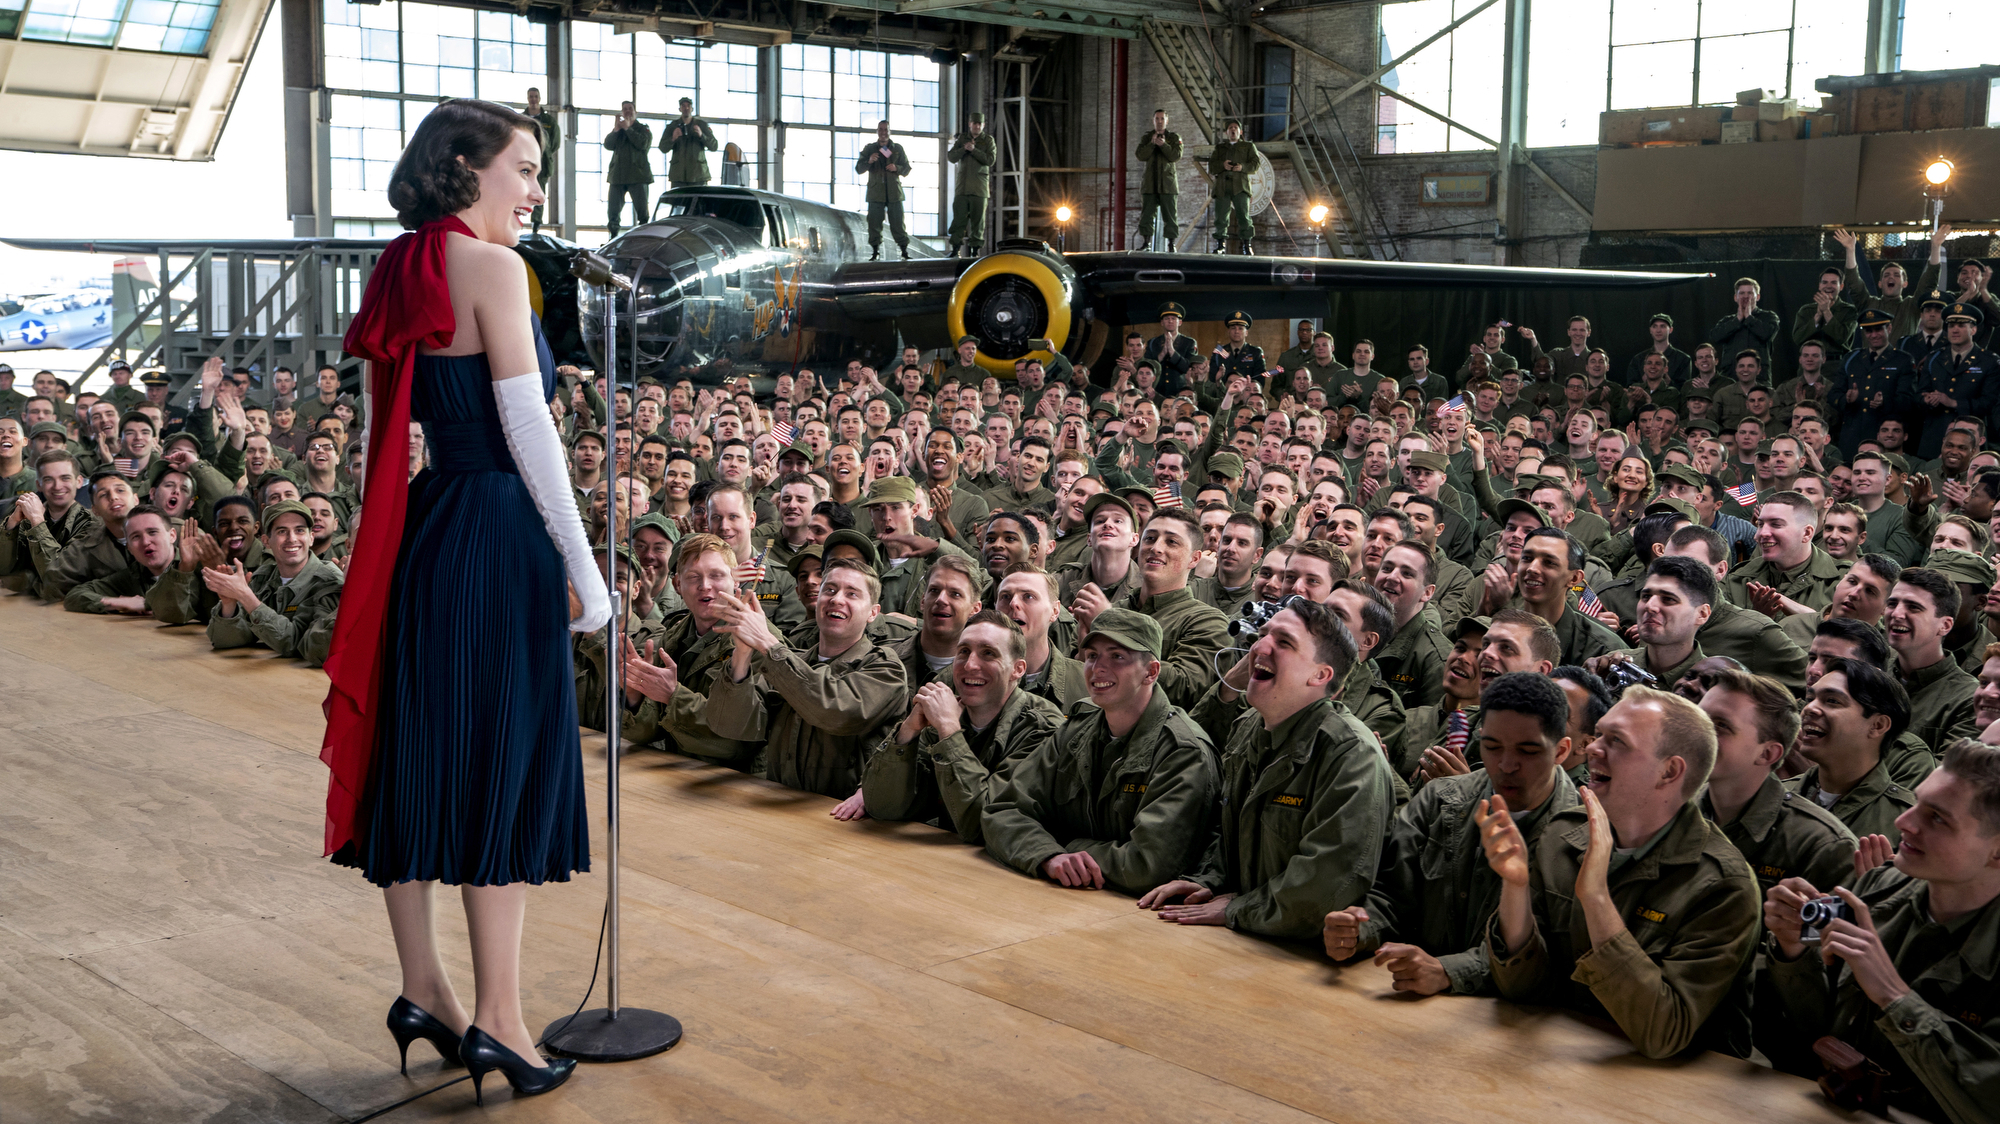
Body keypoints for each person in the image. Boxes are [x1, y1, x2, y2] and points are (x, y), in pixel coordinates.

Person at [319, 100, 604, 1104]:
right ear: (465, 168)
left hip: (425, 528)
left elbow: (377, 440)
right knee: (500, 767)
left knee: (422, 755)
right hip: (494, 526)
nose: (534, 192)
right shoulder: (492, 268)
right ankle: (504, 1021)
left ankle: (425, 991)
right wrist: (589, 570)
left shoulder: (398, 267)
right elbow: (532, 436)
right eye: (523, 169)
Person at [1477, 686, 1761, 1059]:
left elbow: (1663, 1033)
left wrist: (1596, 896)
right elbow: (1524, 990)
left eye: (1617, 741)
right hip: (1566, 1059)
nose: (1592, 748)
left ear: (1668, 771)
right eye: (1598, 735)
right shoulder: (1564, 833)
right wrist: (1515, 888)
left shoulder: (1723, 885)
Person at [1764, 738, 2000, 1123]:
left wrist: (1894, 996)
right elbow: (1814, 1032)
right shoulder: (1877, 888)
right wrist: (1793, 951)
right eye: (1918, 803)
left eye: (1937, 818)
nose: (1904, 822)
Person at [1141, 599, 1395, 939]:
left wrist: (1236, 908)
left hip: (1305, 952)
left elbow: (1325, 887)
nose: (1259, 647)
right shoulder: (1250, 726)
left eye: (1284, 642)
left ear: (1320, 675)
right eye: (1262, 635)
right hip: (1248, 934)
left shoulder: (1351, 754)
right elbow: (1229, 831)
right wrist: (1205, 881)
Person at [1326, 672, 1579, 996]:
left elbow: (1551, 962)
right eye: (1491, 746)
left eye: (1527, 751)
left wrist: (1448, 972)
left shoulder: (1578, 837)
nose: (1506, 764)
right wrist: (1358, 929)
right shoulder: (1438, 800)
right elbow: (1392, 897)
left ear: (1561, 751)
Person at [982, 608, 1220, 894]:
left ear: (1151, 672)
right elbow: (1003, 810)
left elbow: (1148, 864)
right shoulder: (1075, 731)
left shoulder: (1182, 751)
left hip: (1142, 919)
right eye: (1093, 655)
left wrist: (1067, 845)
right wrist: (1048, 855)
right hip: (1066, 897)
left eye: (1117, 657)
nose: (1097, 668)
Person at [709, 556, 909, 802]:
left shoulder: (885, 668)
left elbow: (835, 712)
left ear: (873, 613)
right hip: (779, 803)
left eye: (852, 594)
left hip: (845, 816)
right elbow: (730, 725)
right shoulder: (793, 661)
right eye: (830, 590)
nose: (837, 599)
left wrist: (768, 643)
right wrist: (742, 652)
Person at [863, 609, 1064, 842]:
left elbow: (985, 826)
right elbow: (883, 807)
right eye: (963, 652)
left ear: (1017, 670)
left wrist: (949, 732)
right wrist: (907, 732)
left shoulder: (1042, 727)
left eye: (988, 654)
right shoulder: (944, 716)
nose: (969, 665)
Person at [618, 533, 764, 771]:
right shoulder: (673, 638)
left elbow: (735, 744)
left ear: (736, 580)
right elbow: (644, 733)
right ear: (677, 585)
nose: (705, 585)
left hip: (741, 786)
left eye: (716, 575)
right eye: (693, 577)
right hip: (680, 776)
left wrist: (672, 695)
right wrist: (635, 697)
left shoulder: (759, 641)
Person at [203, 500, 345, 666]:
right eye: (282, 531)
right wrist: (229, 604)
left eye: (299, 530)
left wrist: (246, 597)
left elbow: (295, 644)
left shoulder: (328, 581)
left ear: (311, 537)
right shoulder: (264, 577)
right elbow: (225, 641)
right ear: (266, 541)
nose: (292, 539)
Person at [1793, 658, 1918, 844]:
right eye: (1810, 699)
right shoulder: (1776, 795)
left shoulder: (1907, 820)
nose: (1809, 708)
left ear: (1878, 725)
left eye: (1832, 701)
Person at [1887, 567, 1982, 753]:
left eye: (1913, 607)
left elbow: (1948, 774)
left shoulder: (1968, 699)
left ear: (1944, 625)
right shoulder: (1871, 672)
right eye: (1892, 603)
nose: (1896, 614)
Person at [857, 119, 911, 261]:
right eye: (880, 129)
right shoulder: (870, 149)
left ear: (889, 131)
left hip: (894, 193)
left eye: (885, 129)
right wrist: (869, 161)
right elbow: (859, 169)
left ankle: (904, 250)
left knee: (898, 223)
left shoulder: (897, 149)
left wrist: (897, 168)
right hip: (876, 193)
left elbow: (906, 169)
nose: (883, 132)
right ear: (877, 131)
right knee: (874, 223)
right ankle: (875, 251)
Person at [944, 112, 995, 257]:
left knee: (978, 222)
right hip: (963, 188)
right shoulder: (962, 139)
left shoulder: (988, 141)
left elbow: (990, 160)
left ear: (983, 125)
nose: (977, 126)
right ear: (970, 124)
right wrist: (963, 149)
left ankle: (975, 250)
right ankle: (955, 249)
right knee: (958, 219)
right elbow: (951, 157)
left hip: (979, 189)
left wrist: (974, 150)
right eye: (975, 123)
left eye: (980, 124)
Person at [1208, 119, 1260, 255]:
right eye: (1230, 128)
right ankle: (1220, 245)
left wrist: (1243, 167)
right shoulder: (1220, 148)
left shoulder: (1248, 146)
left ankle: (1247, 245)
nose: (1233, 130)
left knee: (1243, 216)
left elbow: (1255, 164)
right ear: (1226, 132)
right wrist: (1222, 165)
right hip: (1222, 186)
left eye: (1236, 128)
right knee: (1220, 217)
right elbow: (1212, 167)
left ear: (1240, 132)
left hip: (1240, 185)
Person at [602, 100, 652, 238]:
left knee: (642, 212)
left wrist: (629, 129)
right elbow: (608, 145)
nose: (627, 111)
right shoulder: (619, 130)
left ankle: (644, 238)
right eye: (625, 109)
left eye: (630, 108)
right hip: (617, 176)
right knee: (613, 211)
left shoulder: (643, 128)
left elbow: (643, 144)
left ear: (635, 111)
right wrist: (616, 130)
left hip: (638, 176)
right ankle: (613, 236)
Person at [1135, 108, 1184, 250]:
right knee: (1147, 215)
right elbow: (1140, 155)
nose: (1160, 121)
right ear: (1153, 121)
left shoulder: (1174, 138)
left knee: (1170, 216)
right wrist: (1151, 144)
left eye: (1162, 119)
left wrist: (1164, 145)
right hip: (1150, 183)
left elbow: (1175, 156)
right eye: (1157, 119)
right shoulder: (1147, 138)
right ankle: (1146, 243)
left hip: (1167, 184)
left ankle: (1171, 244)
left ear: (1167, 121)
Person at [660, 96, 716, 189]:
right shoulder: (673, 126)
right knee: (678, 202)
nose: (686, 108)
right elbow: (662, 147)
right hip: (678, 175)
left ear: (692, 108)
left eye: (688, 106)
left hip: (698, 175)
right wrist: (673, 138)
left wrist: (702, 136)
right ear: (680, 109)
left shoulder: (701, 125)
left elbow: (714, 146)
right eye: (683, 106)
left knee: (699, 203)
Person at [522, 88, 557, 232]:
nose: (533, 99)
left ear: (540, 98)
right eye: (531, 96)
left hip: (542, 164)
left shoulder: (548, 120)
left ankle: (536, 225)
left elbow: (555, 143)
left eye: (536, 96)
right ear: (527, 98)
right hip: (523, 162)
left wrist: (542, 153)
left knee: (539, 192)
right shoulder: (521, 119)